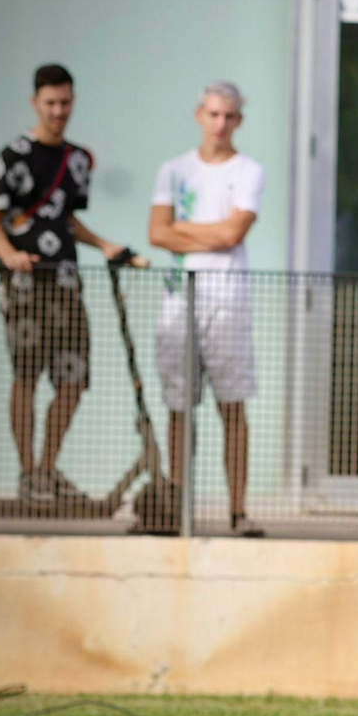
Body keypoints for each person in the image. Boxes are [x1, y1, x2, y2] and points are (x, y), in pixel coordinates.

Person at [0, 63, 126, 504]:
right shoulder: (13, 155)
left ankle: (47, 468)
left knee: (74, 378)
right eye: (50, 103)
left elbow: (64, 218)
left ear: (72, 102)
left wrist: (104, 245)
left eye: (65, 103)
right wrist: (9, 256)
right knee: (26, 373)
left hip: (65, 279)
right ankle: (28, 472)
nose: (58, 111)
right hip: (24, 282)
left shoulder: (77, 159)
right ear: (35, 103)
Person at [147, 81, 266, 536]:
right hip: (179, 299)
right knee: (179, 407)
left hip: (227, 301)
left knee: (232, 406)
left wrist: (184, 228)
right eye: (213, 114)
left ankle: (237, 511)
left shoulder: (249, 170)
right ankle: (179, 507)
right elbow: (157, 233)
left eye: (229, 116)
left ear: (238, 120)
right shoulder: (173, 170)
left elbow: (232, 234)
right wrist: (208, 231)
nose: (220, 124)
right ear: (200, 114)